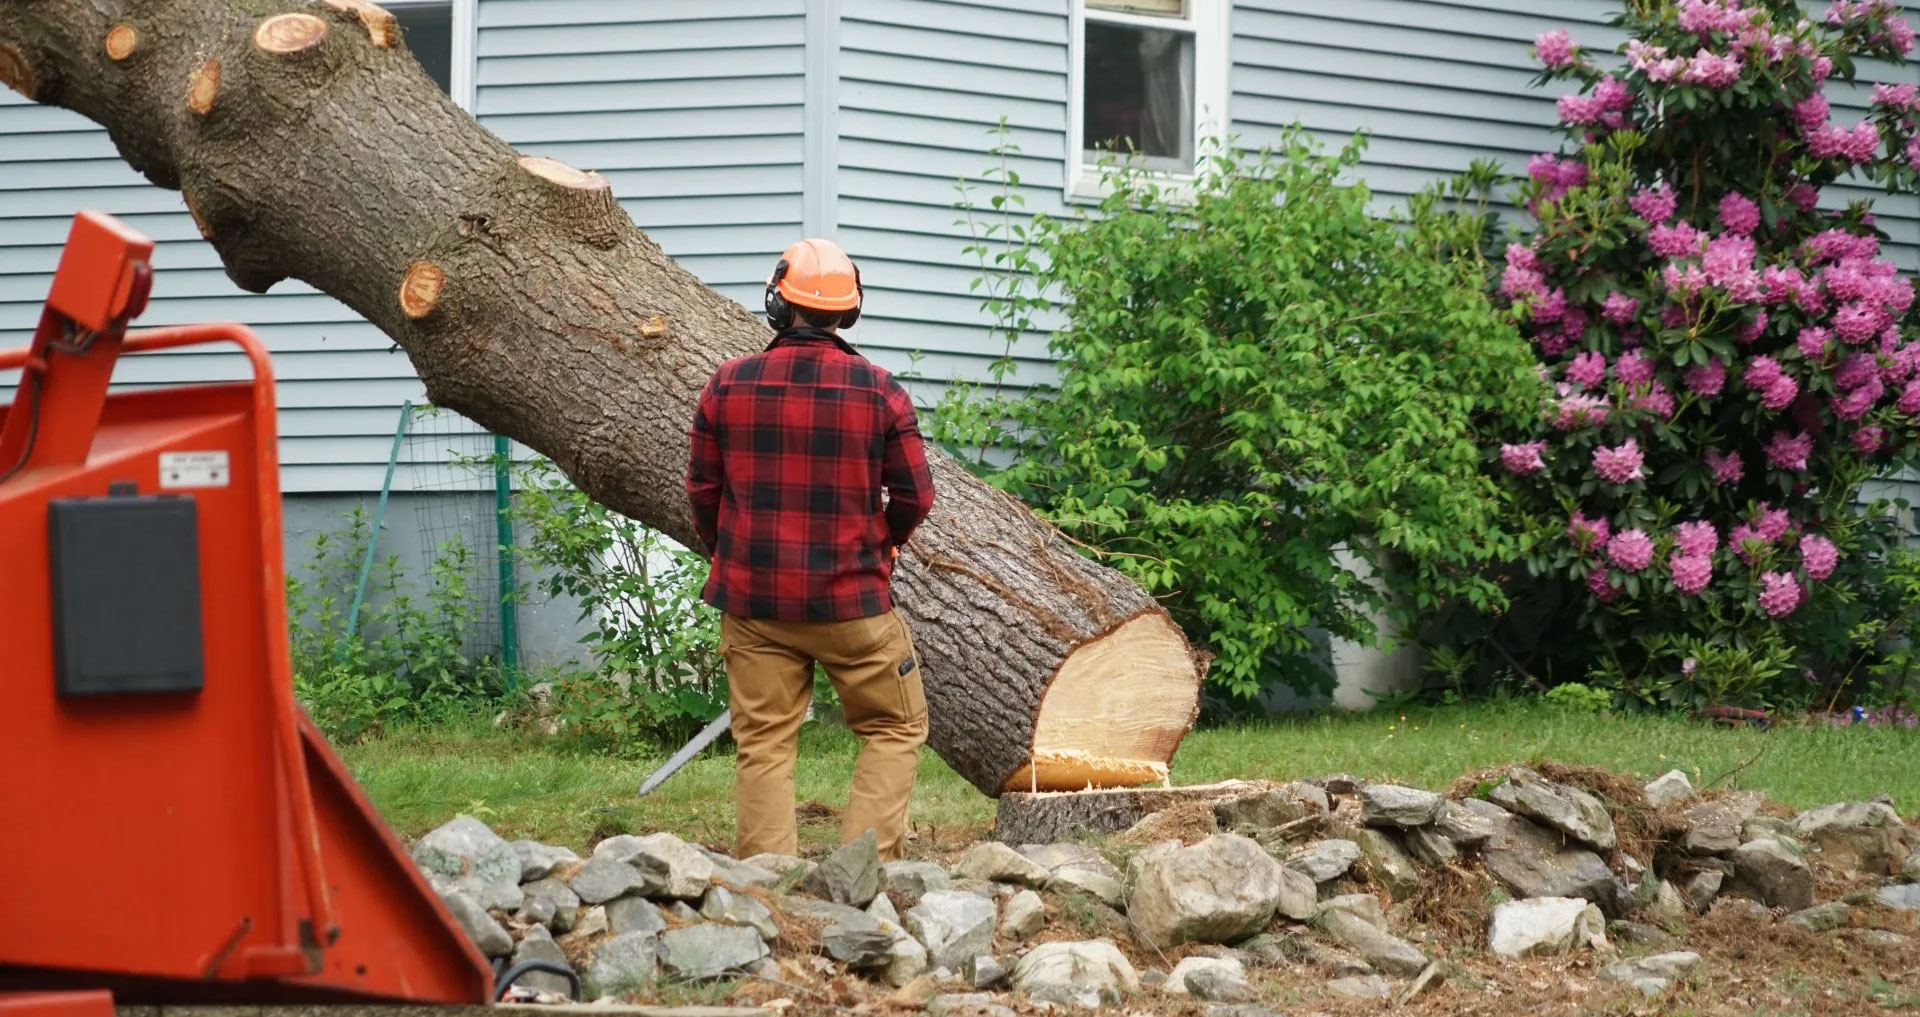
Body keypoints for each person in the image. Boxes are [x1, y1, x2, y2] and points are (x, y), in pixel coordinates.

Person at [686, 238, 936, 862]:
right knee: (896, 725)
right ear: (849, 310)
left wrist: (730, 554)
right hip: (852, 603)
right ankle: (861, 874)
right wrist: (884, 544)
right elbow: (915, 495)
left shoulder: (726, 384)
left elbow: (703, 490)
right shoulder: (881, 392)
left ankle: (766, 886)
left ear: (778, 302)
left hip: (754, 603)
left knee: (764, 742)